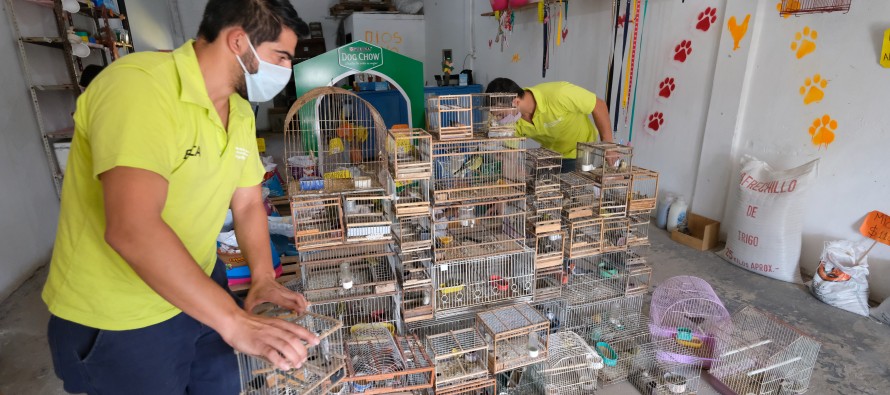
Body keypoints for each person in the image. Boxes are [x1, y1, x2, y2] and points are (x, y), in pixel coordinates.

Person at [43, 1, 315, 393]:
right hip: (122, 314)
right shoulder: (140, 88)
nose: (286, 71)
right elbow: (132, 228)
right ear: (239, 41)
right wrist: (233, 322)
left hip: (201, 284)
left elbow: (248, 203)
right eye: (281, 57)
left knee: (224, 383)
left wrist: (261, 279)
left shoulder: (237, 111)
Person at [486, 78, 613, 172]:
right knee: (536, 190)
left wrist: (608, 145)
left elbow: (599, 106)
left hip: (579, 151)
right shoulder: (512, 121)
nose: (500, 120)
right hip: (549, 153)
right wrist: (505, 193)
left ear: (516, 102)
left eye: (501, 115)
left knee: (570, 196)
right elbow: (510, 157)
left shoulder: (559, 94)